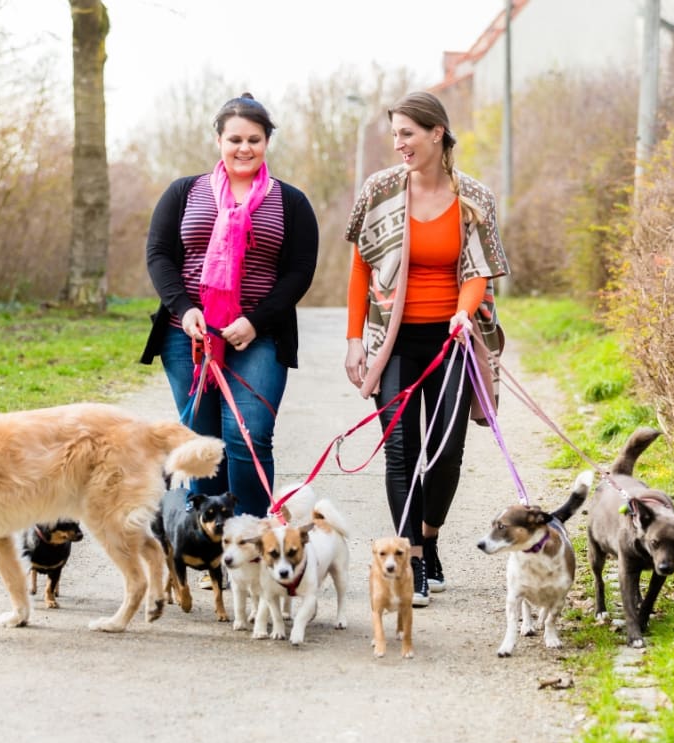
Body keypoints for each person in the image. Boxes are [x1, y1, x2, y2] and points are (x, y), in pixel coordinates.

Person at [343, 91, 508, 607]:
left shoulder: (474, 198)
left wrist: (464, 311)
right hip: (391, 340)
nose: (399, 145)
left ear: (437, 133)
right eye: (395, 135)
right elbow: (361, 268)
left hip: (452, 338)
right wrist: (354, 340)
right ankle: (411, 555)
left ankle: (431, 537)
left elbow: (479, 270)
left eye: (407, 134)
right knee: (400, 450)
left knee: (444, 452)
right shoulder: (380, 190)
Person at [141, 93, 319, 525]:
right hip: (189, 335)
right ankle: (207, 540)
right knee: (200, 443)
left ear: (266, 142)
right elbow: (159, 254)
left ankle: (253, 537)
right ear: (219, 140)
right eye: (235, 138)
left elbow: (298, 272)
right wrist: (184, 310)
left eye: (254, 139)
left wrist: (255, 322)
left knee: (249, 436)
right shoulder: (185, 191)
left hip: (259, 333)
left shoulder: (290, 202)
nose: (244, 148)